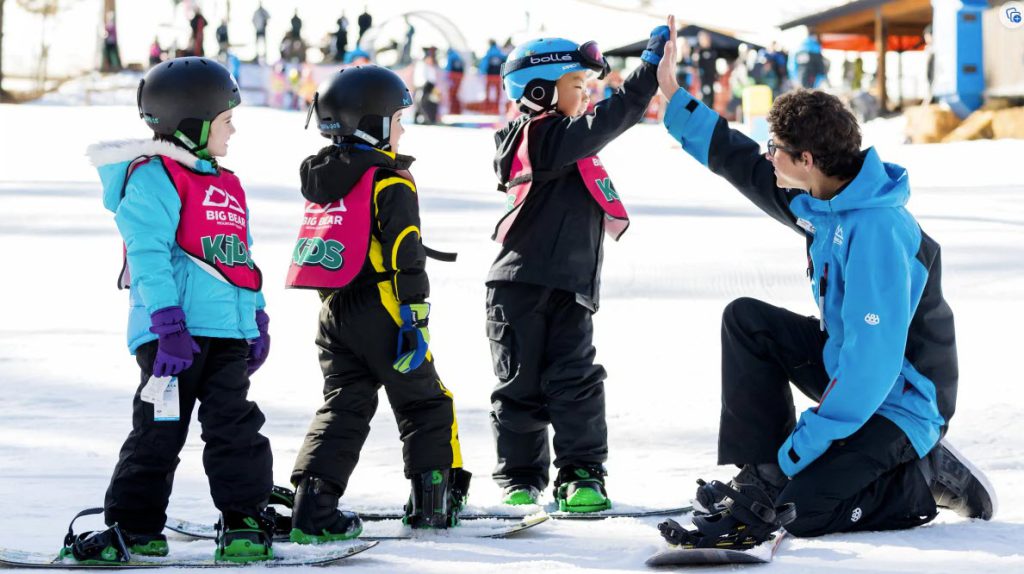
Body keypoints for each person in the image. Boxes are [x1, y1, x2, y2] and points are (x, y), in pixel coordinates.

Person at [651, 17, 995, 550]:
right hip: (854, 371)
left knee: (801, 512)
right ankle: (759, 473)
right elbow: (742, 163)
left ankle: (922, 477)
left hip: (901, 400)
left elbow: (870, 369)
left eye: (777, 150)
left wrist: (798, 449)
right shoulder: (824, 198)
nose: (769, 157)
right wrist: (672, 97)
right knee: (748, 322)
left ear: (806, 160)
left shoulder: (877, 231)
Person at [78, 57, 275, 563]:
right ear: (193, 124)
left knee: (235, 427)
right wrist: (166, 322)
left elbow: (241, 257)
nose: (234, 130)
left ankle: (246, 520)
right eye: (227, 121)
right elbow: (146, 251)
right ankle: (133, 527)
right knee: (159, 431)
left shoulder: (226, 183)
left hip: (226, 334)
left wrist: (256, 315)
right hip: (174, 338)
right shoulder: (155, 177)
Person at [286, 65, 470, 540]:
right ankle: (433, 505)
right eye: (396, 119)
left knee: (344, 405)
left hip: (333, 312)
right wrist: (416, 313)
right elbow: (406, 251)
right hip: (384, 308)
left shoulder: (326, 178)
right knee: (427, 402)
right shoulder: (390, 181)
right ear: (371, 124)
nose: (403, 128)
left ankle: (313, 508)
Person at [486, 29, 667, 512]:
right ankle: (521, 477)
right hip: (518, 286)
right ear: (539, 91)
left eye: (588, 85)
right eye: (576, 84)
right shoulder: (538, 137)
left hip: (570, 288)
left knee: (576, 381)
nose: (587, 94)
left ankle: (581, 472)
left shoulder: (565, 143)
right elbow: (614, 116)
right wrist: (645, 70)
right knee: (520, 384)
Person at [480, 39, 506, 111]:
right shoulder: (500, 52)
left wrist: (482, 72)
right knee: (498, 92)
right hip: (497, 75)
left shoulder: (489, 52)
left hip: (490, 76)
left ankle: (487, 108)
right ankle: (496, 108)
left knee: (487, 92)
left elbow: (484, 64)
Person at [695, 30, 718, 109]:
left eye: (707, 38)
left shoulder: (713, 51)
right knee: (705, 101)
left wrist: (717, 78)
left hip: (712, 81)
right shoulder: (698, 52)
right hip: (703, 82)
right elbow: (696, 68)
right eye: (704, 39)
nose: (707, 40)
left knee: (711, 101)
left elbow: (714, 67)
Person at [445, 47, 465, 114]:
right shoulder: (459, 57)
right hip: (459, 78)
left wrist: (447, 78)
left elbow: (448, 68)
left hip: (453, 78)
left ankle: (454, 110)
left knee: (452, 94)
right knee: (456, 94)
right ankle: (457, 110)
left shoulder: (451, 57)